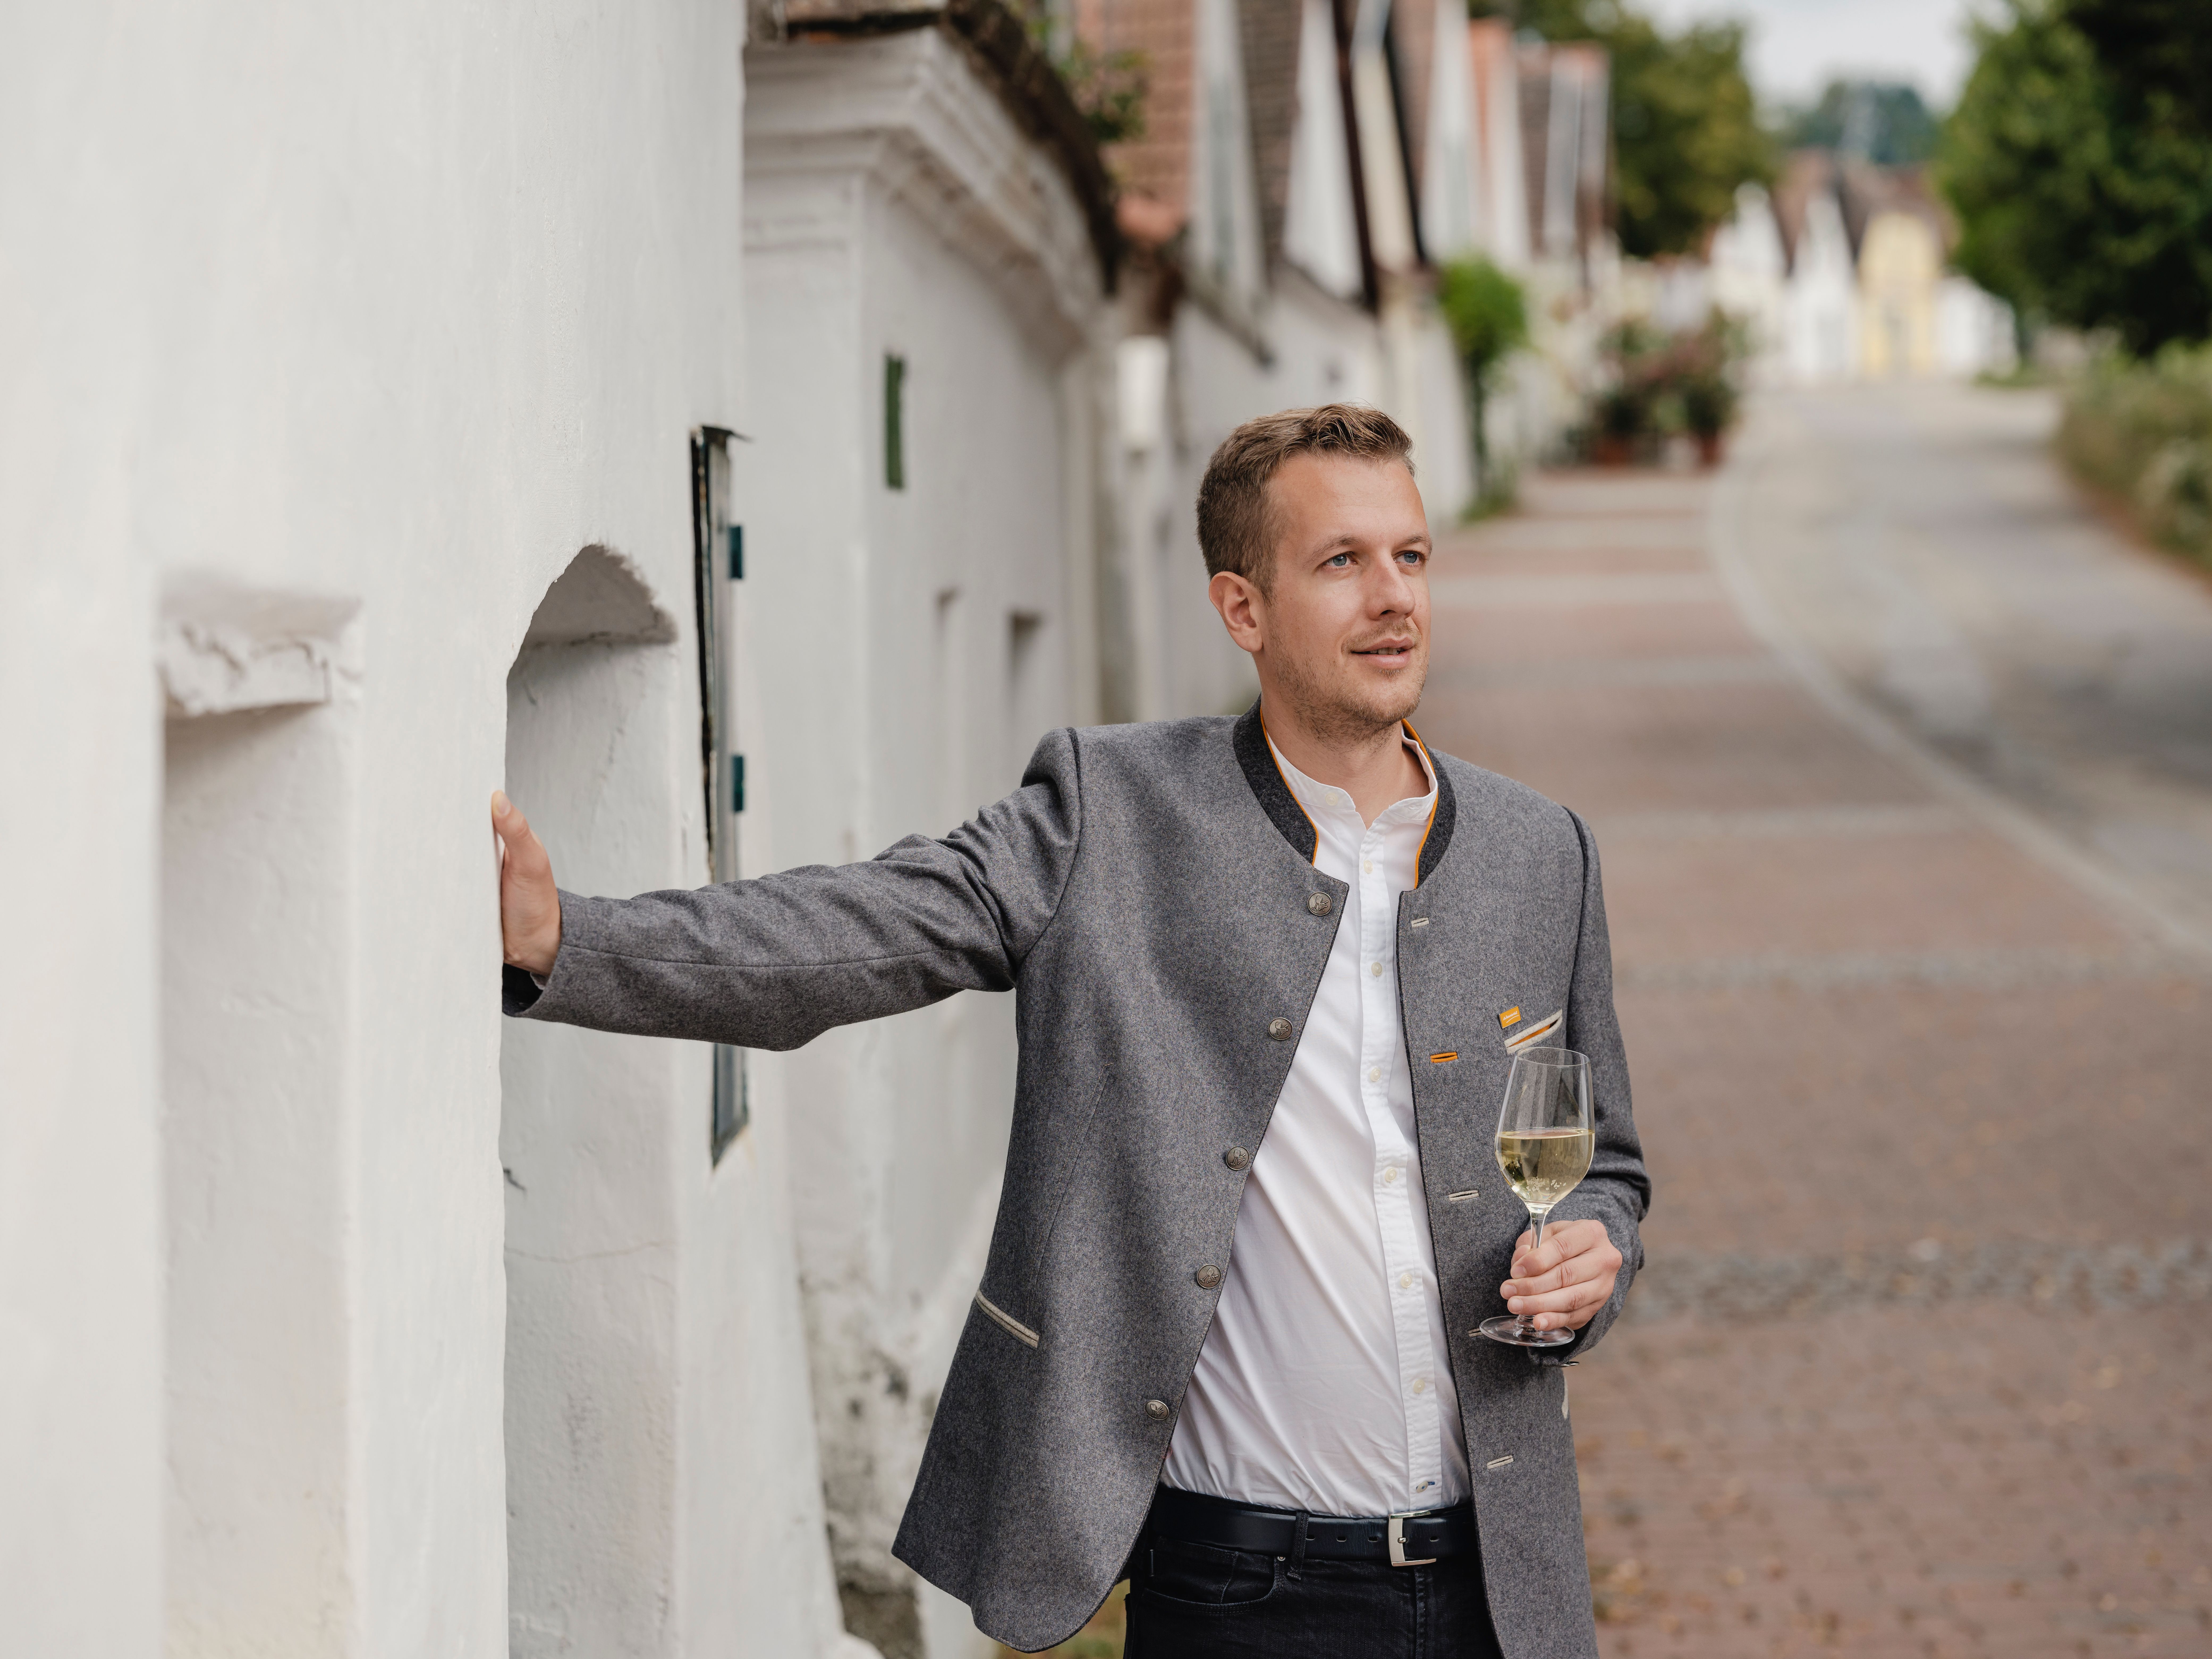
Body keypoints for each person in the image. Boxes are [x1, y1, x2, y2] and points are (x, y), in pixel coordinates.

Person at [493, 404, 1647, 1658]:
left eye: (1411, 556)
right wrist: (575, 939)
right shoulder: (1113, 813)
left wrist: (1600, 1251)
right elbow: (860, 929)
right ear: (1241, 608)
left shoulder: (1544, 853)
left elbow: (1608, 1167)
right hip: (1241, 1590)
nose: (1393, 599)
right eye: (1340, 562)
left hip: (1502, 1582)